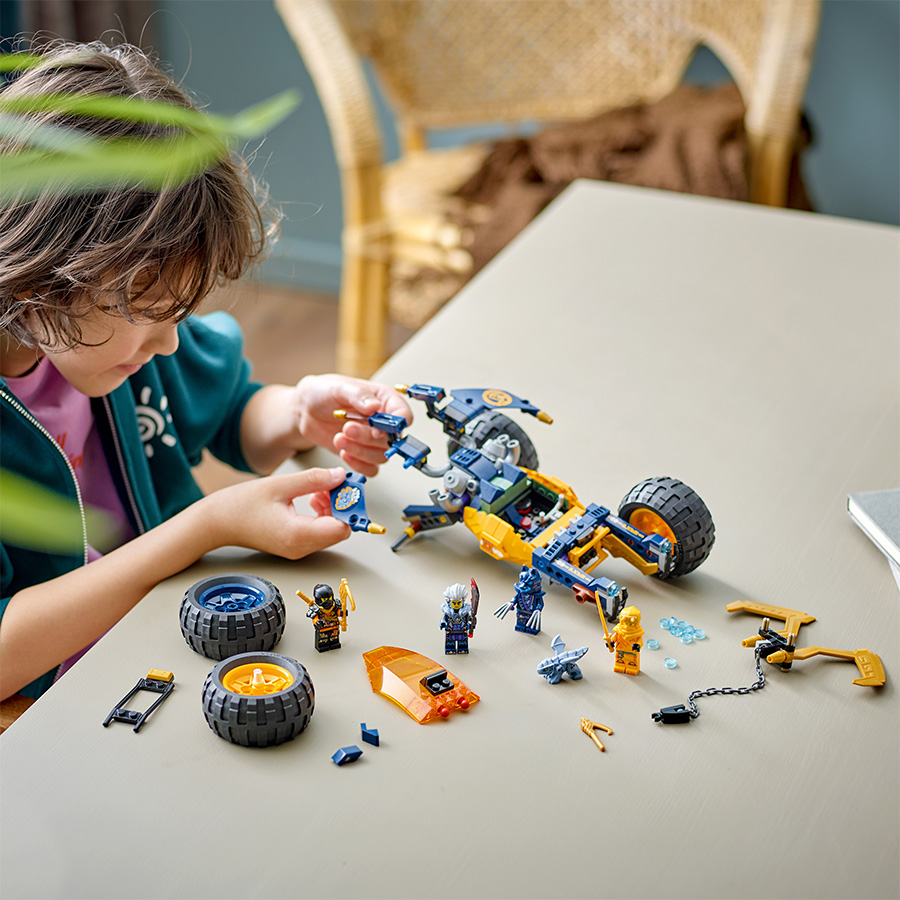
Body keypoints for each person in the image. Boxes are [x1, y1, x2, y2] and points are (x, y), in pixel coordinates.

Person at [0, 41, 412, 702]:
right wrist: (205, 528)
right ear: (37, 276)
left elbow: (231, 411)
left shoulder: (116, 343)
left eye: (178, 314)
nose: (169, 342)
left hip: (168, 642)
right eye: (150, 311)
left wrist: (298, 411)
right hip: (53, 704)